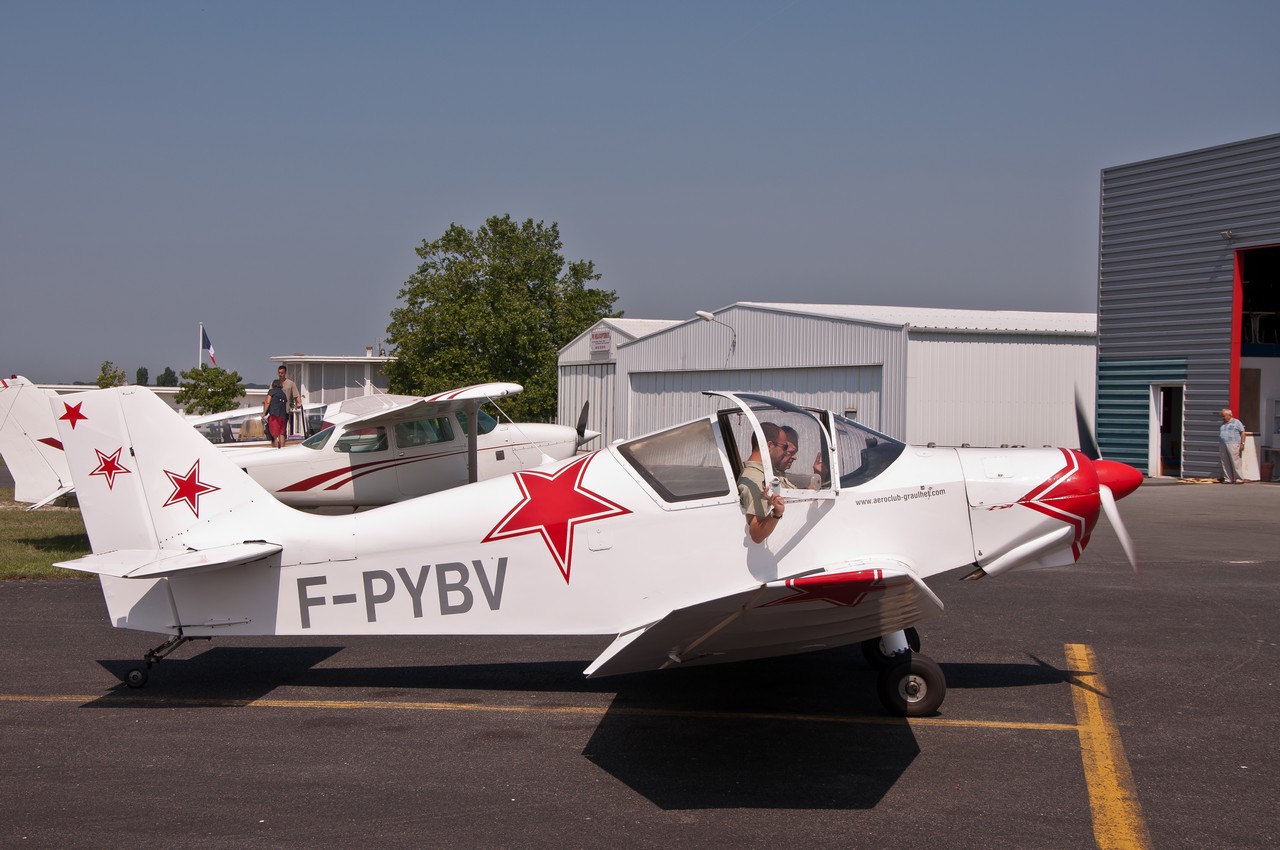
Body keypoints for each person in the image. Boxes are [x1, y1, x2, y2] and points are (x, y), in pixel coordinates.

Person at [737, 422, 791, 543]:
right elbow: (756, 534)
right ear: (770, 445)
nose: (785, 452)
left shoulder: (764, 474)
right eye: (784, 447)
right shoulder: (755, 479)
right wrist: (777, 513)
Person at [1218, 408, 1246, 483]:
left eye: (1224, 416)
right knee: (1225, 461)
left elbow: (1243, 432)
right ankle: (1227, 478)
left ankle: (1239, 478)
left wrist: (1242, 443)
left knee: (1235, 461)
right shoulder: (1223, 424)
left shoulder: (1236, 422)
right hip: (1223, 444)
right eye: (1222, 416)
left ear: (1229, 415)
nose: (1223, 418)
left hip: (1233, 444)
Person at [275, 365, 303, 435]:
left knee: (282, 429)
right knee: (275, 428)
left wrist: (299, 403)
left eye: (282, 373)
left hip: (285, 409)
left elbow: (296, 395)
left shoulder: (290, 383)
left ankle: (282, 442)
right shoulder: (274, 383)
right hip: (275, 410)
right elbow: (269, 395)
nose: (280, 375)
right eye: (279, 373)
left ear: (285, 373)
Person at [263, 379, 289, 448]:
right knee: (282, 434)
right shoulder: (283, 394)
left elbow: (267, 402)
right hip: (283, 416)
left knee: (275, 435)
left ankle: (276, 449)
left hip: (274, 415)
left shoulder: (272, 392)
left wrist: (264, 413)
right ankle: (282, 448)